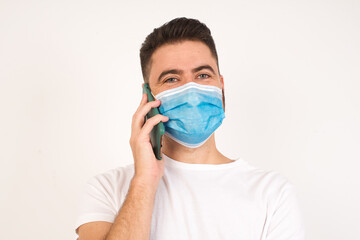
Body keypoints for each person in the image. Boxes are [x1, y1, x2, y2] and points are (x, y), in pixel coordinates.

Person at [75, 17, 305, 240]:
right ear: (148, 96)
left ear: (221, 86)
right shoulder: (107, 188)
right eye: (172, 79)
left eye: (203, 75)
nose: (192, 91)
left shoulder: (273, 193)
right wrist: (145, 180)